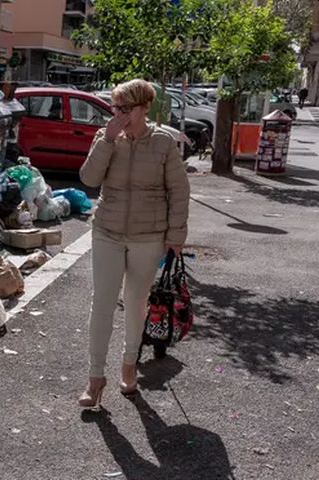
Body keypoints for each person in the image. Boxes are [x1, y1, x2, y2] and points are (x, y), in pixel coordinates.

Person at [77, 79, 190, 408]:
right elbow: (88, 179)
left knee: (136, 303)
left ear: (144, 108)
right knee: (102, 304)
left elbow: (179, 191)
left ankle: (129, 365)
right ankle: (95, 377)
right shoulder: (106, 137)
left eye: (126, 108)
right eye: (115, 108)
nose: (118, 114)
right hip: (107, 231)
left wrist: (176, 237)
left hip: (149, 236)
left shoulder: (163, 143)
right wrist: (108, 140)